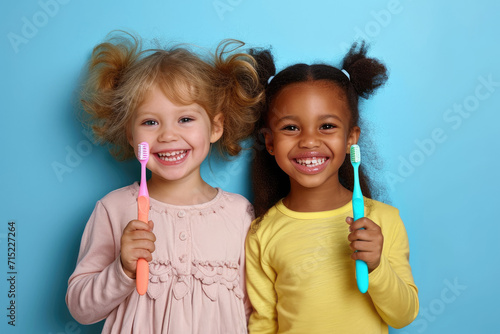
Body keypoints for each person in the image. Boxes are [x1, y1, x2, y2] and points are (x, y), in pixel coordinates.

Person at [66, 31, 263, 333]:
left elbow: (253, 310)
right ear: (131, 136)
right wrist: (122, 270)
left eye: (185, 119)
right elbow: (81, 308)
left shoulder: (239, 213)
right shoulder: (114, 208)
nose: (168, 135)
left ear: (216, 127)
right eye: (150, 122)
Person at [245, 43, 419, 333]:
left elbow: (404, 315)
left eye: (326, 126)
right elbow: (263, 324)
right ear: (270, 141)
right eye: (291, 128)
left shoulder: (385, 220)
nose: (309, 141)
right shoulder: (262, 233)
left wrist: (377, 265)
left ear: (351, 138)